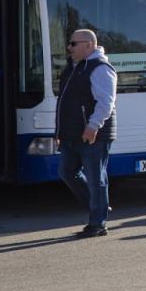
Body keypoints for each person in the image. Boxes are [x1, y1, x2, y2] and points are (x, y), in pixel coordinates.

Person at [56, 29, 118, 238]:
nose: (69, 47)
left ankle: (98, 223)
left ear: (89, 45)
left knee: (95, 178)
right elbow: (64, 103)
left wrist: (93, 126)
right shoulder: (74, 67)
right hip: (70, 134)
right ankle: (99, 206)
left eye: (73, 44)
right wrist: (59, 132)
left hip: (93, 133)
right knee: (67, 172)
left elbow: (106, 102)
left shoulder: (100, 68)